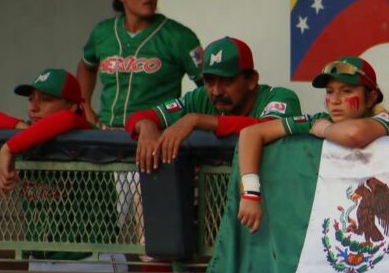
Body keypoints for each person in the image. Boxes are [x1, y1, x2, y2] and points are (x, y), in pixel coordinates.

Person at [237, 57, 389, 233]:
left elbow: (353, 134)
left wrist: (326, 130)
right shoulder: (318, 120)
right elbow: (250, 134)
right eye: (329, 91)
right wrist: (250, 194)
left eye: (346, 91)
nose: (335, 100)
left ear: (371, 98)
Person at [0, 69, 126, 272]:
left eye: (45, 100)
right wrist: (16, 125)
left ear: (73, 105)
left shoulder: (85, 130)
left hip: (92, 260)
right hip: (39, 261)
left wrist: (8, 147)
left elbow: (68, 120)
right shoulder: (26, 135)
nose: (33, 108)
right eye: (31, 100)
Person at [125, 36, 301, 173]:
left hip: (268, 205)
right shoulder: (200, 97)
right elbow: (138, 117)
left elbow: (267, 128)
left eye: (227, 81)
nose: (216, 91)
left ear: (251, 80)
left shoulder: (280, 98)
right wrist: (147, 126)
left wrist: (197, 120)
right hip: (215, 205)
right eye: (209, 81)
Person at [77, 0, 204, 129]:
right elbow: (86, 66)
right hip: (105, 134)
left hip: (155, 136)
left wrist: (193, 121)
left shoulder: (180, 36)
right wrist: (85, 107)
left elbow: (210, 85)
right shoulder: (103, 32)